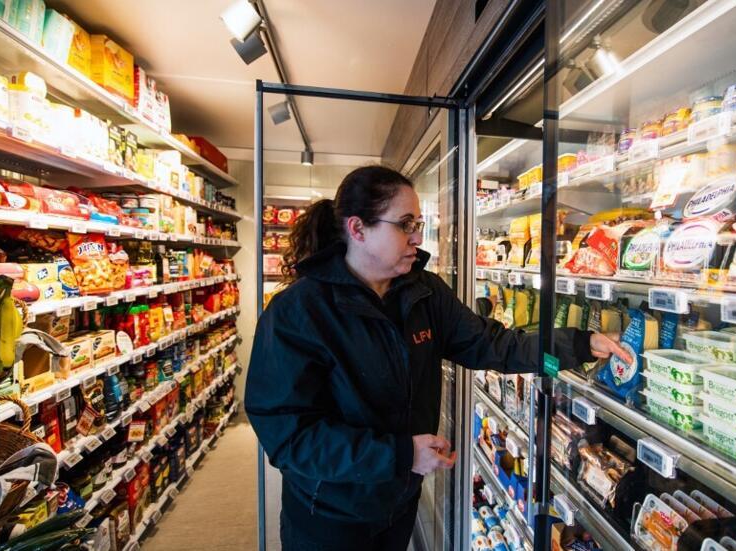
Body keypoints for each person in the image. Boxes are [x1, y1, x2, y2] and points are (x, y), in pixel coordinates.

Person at [245, 165, 628, 551]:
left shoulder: (424, 292)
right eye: (405, 224)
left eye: (419, 224)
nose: (417, 238)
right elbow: (289, 436)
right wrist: (400, 455)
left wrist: (578, 346)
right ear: (358, 229)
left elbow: (494, 345)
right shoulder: (298, 313)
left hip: (399, 504)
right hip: (329, 518)